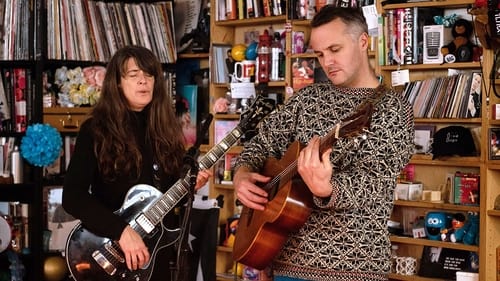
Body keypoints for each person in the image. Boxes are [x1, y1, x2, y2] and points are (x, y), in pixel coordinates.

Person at [233, 6, 414, 281]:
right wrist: (242, 174)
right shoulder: (307, 99)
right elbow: (261, 144)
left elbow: (376, 183)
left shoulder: (392, 107)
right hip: (285, 261)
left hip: (354, 268)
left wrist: (327, 188)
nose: (326, 61)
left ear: (363, 41)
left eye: (335, 49)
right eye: (319, 54)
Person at [62, 45, 212, 280]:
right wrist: (122, 232)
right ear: (117, 83)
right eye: (134, 75)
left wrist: (190, 186)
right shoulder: (95, 130)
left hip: (156, 256)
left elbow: (167, 195)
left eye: (149, 74)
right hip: (111, 248)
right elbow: (72, 196)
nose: (143, 81)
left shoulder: (166, 131)